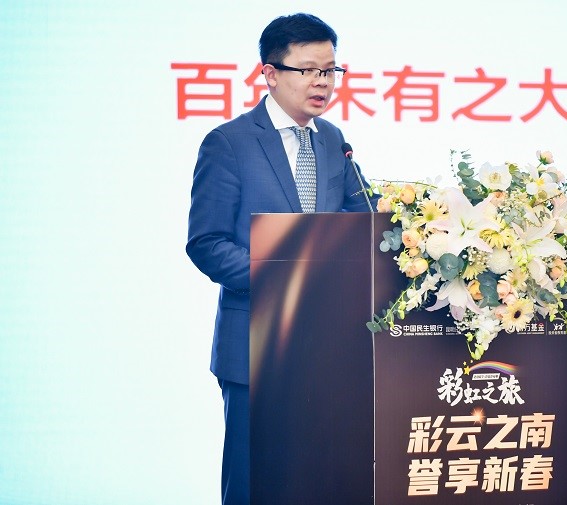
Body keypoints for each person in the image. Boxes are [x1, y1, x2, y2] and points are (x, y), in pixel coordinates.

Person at [186, 13, 376, 505]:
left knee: (320, 483)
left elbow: (363, 217)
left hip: (328, 348)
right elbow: (206, 243)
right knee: (254, 486)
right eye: (308, 70)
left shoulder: (332, 140)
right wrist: (287, 277)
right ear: (270, 73)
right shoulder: (229, 143)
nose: (323, 82)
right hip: (256, 345)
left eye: (330, 70)